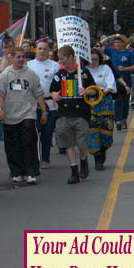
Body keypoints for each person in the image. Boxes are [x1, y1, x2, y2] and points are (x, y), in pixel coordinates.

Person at [0, 47, 49, 184]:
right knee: (12, 144)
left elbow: (38, 93)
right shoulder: (5, 75)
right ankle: (17, 172)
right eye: (17, 57)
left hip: (28, 113)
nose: (20, 60)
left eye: (22, 57)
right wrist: (0, 109)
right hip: (10, 115)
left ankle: (31, 172)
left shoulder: (31, 74)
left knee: (29, 142)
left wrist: (44, 111)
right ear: (11, 58)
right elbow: (0, 93)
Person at [50, 45, 97, 184]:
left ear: (71, 57)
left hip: (81, 112)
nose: (61, 61)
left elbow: (94, 90)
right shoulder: (60, 75)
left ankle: (83, 160)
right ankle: (74, 171)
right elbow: (52, 90)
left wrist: (87, 92)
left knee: (82, 143)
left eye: (63, 58)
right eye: (59, 59)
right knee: (67, 142)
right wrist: (55, 95)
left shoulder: (84, 73)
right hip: (64, 112)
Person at [27, 40, 60, 169]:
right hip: (32, 104)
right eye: (39, 48)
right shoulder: (28, 65)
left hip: (50, 104)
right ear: (35, 50)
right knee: (33, 134)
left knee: (47, 133)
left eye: (44, 49)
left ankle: (45, 158)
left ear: (49, 51)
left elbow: (58, 85)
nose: (42, 51)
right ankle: (34, 158)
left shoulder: (55, 66)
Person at [85, 49, 117, 170]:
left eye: (95, 59)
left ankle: (103, 149)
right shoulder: (84, 71)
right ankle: (97, 156)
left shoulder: (105, 69)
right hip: (90, 103)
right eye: (91, 59)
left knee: (106, 133)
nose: (93, 62)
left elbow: (111, 85)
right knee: (93, 132)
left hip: (105, 103)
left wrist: (100, 92)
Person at [102, 34, 134, 129]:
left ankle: (124, 119)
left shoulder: (129, 53)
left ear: (123, 43)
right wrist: (111, 36)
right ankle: (118, 120)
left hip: (126, 80)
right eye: (115, 42)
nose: (116, 44)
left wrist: (125, 68)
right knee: (118, 100)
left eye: (118, 42)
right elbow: (99, 45)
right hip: (115, 80)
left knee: (125, 101)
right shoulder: (112, 51)